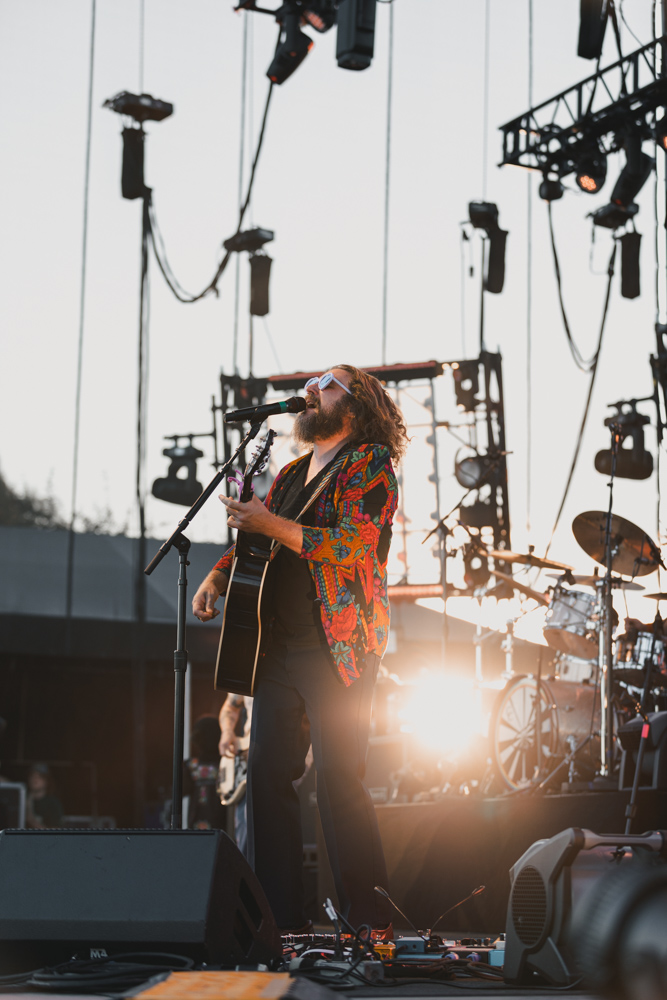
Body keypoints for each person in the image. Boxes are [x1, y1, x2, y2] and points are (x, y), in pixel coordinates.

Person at [193, 365, 408, 938]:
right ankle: (280, 923)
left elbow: (351, 546)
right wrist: (218, 575)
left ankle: (371, 924)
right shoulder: (290, 472)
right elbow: (257, 534)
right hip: (280, 648)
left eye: (329, 383)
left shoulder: (371, 465)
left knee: (339, 780)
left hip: (339, 646)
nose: (314, 388)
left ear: (355, 406)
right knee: (266, 774)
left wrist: (268, 522)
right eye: (313, 380)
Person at [218, 693, 253, 854]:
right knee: (246, 825)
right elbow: (231, 705)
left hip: (285, 753)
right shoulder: (248, 667)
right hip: (248, 753)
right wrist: (227, 731)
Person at [183, 715, 228, 830]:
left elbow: (183, 790)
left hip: (198, 822)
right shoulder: (225, 764)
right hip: (222, 821)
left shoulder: (192, 766)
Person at [25, 763, 63, 828]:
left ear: (47, 780)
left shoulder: (53, 803)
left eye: (40, 776)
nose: (35, 779)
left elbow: (54, 833)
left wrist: (30, 819)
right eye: (32, 776)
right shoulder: (22, 799)